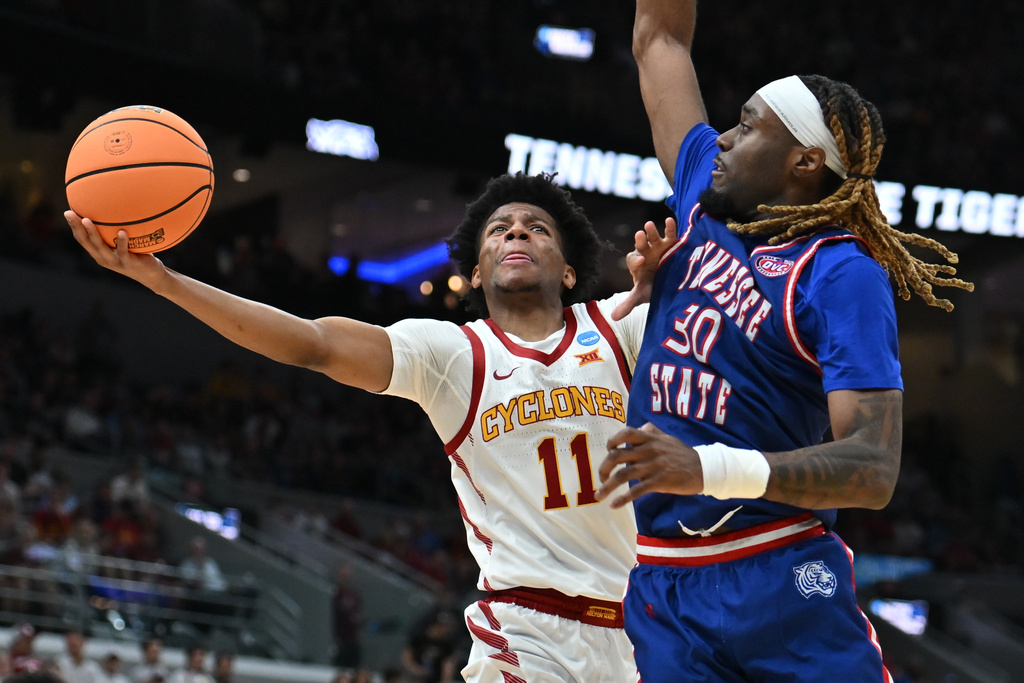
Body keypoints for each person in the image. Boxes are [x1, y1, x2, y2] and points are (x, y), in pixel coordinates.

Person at [65, 170, 648, 683]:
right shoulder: (451, 353)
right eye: (500, 228)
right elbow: (312, 343)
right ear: (474, 273)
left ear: (571, 272)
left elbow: (731, 299)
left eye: (536, 227)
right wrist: (164, 280)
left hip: (640, 629)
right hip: (527, 630)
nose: (516, 232)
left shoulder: (623, 325)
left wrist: (676, 276)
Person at [595, 2, 974, 682]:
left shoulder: (841, 274)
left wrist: (707, 468)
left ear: (803, 161)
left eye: (746, 126)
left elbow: (872, 467)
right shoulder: (702, 200)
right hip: (663, 582)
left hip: (776, 570)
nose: (726, 140)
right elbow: (658, 41)